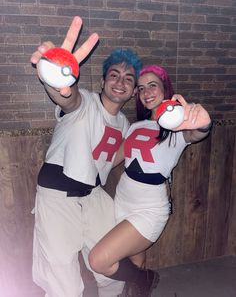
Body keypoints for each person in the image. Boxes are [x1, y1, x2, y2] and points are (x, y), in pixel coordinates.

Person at [30, 16, 143, 297]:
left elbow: (111, 160)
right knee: (63, 282)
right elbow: (67, 98)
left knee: (112, 265)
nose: (121, 82)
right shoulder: (85, 103)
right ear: (103, 80)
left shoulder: (126, 126)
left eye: (128, 79)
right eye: (114, 75)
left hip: (93, 196)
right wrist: (55, 76)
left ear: (132, 91)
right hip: (57, 195)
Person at [88, 64, 212, 297]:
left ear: (165, 89)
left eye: (152, 85)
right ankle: (140, 286)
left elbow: (198, 133)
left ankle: (146, 279)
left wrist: (203, 123)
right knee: (134, 261)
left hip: (149, 207)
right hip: (123, 200)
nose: (146, 91)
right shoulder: (135, 126)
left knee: (99, 260)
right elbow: (114, 158)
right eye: (141, 87)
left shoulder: (178, 127)